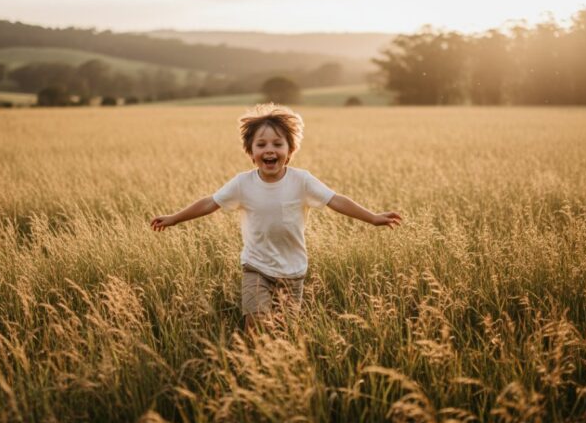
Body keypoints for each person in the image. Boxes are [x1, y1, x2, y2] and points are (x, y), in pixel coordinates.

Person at [150, 104, 402, 332]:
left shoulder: (301, 180)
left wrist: (373, 217)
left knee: (285, 331)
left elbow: (336, 200)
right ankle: (252, 366)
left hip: (293, 272)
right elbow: (210, 202)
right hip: (256, 267)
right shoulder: (242, 183)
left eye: (277, 144)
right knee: (256, 325)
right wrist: (175, 218)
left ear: (290, 150)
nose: (269, 150)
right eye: (261, 145)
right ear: (251, 152)